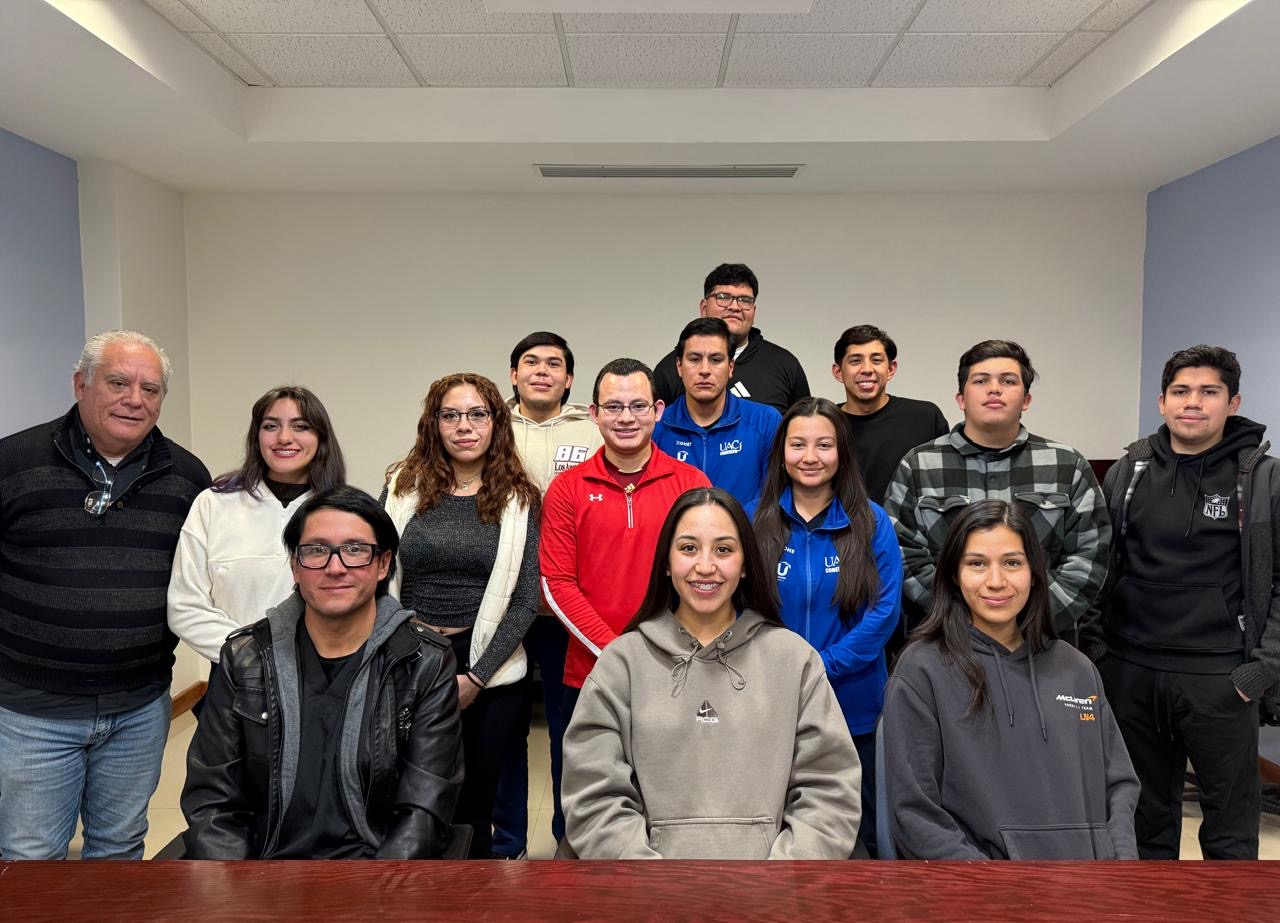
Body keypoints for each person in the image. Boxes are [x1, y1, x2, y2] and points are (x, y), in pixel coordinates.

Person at [561, 487, 861, 859]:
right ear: (666, 562)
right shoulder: (621, 663)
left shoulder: (795, 660)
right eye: (688, 548)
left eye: (723, 550)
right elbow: (593, 796)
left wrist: (781, 879)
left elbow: (830, 792)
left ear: (746, 563)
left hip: (773, 887)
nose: (705, 566)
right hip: (650, 887)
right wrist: (648, 880)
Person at [0, 330, 210, 860]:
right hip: (32, 710)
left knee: (120, 849)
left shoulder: (188, 477)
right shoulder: (13, 462)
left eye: (150, 389)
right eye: (118, 383)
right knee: (30, 856)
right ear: (81, 384)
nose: (134, 399)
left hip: (139, 708)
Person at [181, 486, 463, 859]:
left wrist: (377, 888)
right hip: (263, 869)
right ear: (295, 566)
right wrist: (242, 885)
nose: (335, 567)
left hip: (376, 872)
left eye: (355, 550)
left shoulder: (423, 662)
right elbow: (212, 800)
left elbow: (424, 810)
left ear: (383, 564)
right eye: (316, 550)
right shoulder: (247, 658)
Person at [1095, 345, 1279, 859]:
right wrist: (1101, 653)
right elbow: (1102, 565)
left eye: (1208, 391)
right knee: (1141, 820)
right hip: (1131, 671)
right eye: (1180, 391)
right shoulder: (1128, 471)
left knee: (1230, 829)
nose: (1192, 402)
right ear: (1162, 402)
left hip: (1221, 678)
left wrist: (1261, 670)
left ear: (1232, 402)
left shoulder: (1263, 479)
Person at [882, 499, 1139, 860]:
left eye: (1012, 563)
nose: (996, 581)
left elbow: (1119, 786)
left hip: (1090, 883)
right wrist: (994, 886)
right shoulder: (922, 670)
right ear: (954, 575)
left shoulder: (1078, 670)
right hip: (985, 888)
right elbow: (915, 814)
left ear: (1034, 572)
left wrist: (1121, 868)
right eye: (977, 564)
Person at [382, 372, 541, 859]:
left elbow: (526, 599)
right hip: (408, 660)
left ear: (496, 422)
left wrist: (476, 677)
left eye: (477, 414)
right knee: (408, 798)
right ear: (433, 423)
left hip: (488, 667)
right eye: (450, 415)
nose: (464, 426)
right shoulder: (401, 486)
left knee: (475, 805)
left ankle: (473, 893)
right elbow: (378, 577)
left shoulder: (521, 497)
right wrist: (404, 656)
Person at [747, 397, 901, 856]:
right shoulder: (753, 519)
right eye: (798, 444)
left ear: (842, 453)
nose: (810, 457)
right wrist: (785, 666)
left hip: (853, 703)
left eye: (824, 445)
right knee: (775, 828)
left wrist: (821, 665)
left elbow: (884, 611)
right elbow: (737, 609)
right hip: (769, 699)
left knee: (858, 833)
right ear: (781, 453)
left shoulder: (872, 521)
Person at [883, 339, 1111, 647]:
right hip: (945, 643)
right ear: (961, 398)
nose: (994, 389)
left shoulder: (1067, 465)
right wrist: (963, 620)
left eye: (1008, 381)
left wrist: (1028, 622)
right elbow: (903, 556)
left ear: (1026, 399)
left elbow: (1089, 557)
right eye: (981, 381)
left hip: (1042, 643)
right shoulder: (919, 465)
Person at [540, 358, 710, 719]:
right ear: (594, 414)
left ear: (658, 411)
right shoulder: (567, 489)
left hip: (675, 668)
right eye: (613, 407)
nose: (626, 418)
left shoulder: (692, 484)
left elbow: (705, 576)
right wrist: (615, 653)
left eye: (638, 406)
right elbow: (557, 584)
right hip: (592, 672)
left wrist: (665, 650)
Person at [493, 332, 603, 858]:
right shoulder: (489, 426)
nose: (542, 371)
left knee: (570, 731)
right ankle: (507, 842)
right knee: (505, 731)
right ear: (513, 375)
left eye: (554, 364)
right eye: (531, 362)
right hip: (501, 605)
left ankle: (569, 838)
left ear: (569, 378)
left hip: (567, 609)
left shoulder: (593, 428)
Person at [168, 385, 346, 667]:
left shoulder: (345, 511)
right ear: (257, 436)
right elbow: (185, 605)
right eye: (271, 426)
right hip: (236, 673)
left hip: (326, 673)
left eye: (300, 426)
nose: (284, 437)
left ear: (320, 438)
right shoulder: (214, 504)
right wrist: (251, 655)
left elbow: (362, 602)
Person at [653, 317, 781, 504]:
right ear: (679, 367)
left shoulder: (765, 422)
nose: (705, 370)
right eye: (694, 359)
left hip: (746, 525)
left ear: (730, 367)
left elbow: (774, 501)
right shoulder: (655, 426)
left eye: (716, 360)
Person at [653, 263, 809, 413]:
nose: (735, 307)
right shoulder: (669, 370)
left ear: (754, 311)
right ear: (704, 307)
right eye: (723, 297)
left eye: (745, 300)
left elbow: (808, 425)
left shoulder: (785, 365)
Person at [832, 325, 948, 505]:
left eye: (876, 360)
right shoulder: (825, 423)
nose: (867, 369)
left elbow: (945, 483)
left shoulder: (924, 418)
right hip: (839, 523)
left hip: (908, 524)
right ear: (838, 372)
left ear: (891, 369)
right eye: (855, 361)